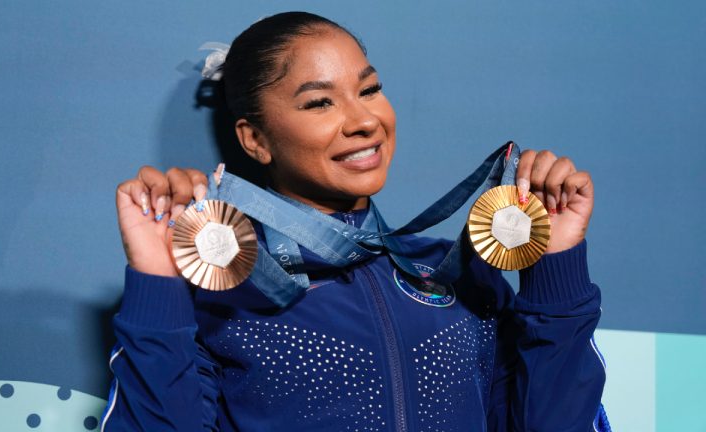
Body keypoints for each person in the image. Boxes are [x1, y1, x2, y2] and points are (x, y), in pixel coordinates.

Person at [102, 11, 609, 432]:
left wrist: (555, 267)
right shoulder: (222, 287)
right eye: (320, 102)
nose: (364, 120)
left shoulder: (457, 274)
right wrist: (157, 280)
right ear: (254, 139)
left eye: (369, 90)